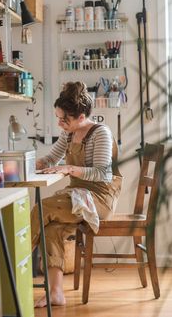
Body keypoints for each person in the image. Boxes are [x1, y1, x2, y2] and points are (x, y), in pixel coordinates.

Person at [31, 81, 122, 307]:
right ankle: (55, 293)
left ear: (81, 117)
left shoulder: (100, 133)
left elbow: (103, 174)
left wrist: (70, 168)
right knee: (51, 226)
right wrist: (27, 163)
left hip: (100, 197)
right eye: (58, 117)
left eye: (65, 119)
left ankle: (9, 263)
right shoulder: (69, 133)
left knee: (43, 209)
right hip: (78, 193)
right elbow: (51, 159)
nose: (60, 123)